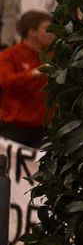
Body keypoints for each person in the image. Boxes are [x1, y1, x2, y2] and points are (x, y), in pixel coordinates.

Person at [0, 10, 53, 146]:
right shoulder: (9, 55)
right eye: (47, 29)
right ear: (32, 33)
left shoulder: (54, 55)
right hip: (15, 127)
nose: (53, 33)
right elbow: (5, 81)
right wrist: (33, 73)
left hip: (46, 128)